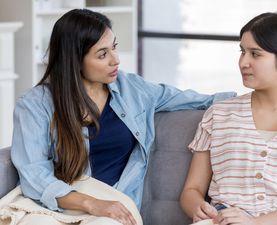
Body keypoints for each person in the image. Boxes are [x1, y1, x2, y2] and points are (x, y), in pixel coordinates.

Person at [5, 8, 235, 225]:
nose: (116, 60)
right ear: (75, 60)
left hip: (114, 205)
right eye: (102, 54)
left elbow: (197, 100)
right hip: (56, 203)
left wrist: (253, 98)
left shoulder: (132, 89)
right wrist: (92, 204)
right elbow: (34, 172)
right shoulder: (35, 104)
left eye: (114, 47)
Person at [180, 11, 277, 225]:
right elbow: (192, 189)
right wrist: (199, 207)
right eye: (242, 52)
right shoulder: (219, 115)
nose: (243, 62)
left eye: (255, 54)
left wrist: (255, 223)